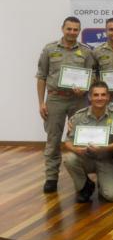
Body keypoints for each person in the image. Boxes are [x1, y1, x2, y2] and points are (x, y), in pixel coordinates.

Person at [36, 16, 96, 193]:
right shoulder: (49, 49)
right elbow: (41, 76)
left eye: (75, 29)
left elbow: (92, 76)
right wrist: (41, 103)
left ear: (79, 31)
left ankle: (82, 177)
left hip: (78, 100)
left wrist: (85, 89)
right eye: (69, 29)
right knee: (53, 139)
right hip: (55, 99)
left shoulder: (86, 52)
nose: (72, 32)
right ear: (62, 29)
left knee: (81, 137)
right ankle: (51, 177)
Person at [61, 81, 113, 202]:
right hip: (86, 158)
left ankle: (103, 181)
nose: (100, 98)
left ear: (108, 97)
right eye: (96, 95)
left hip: (106, 159)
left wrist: (107, 148)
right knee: (69, 158)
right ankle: (85, 186)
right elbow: (67, 142)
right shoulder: (79, 116)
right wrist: (75, 149)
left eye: (103, 95)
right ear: (89, 97)